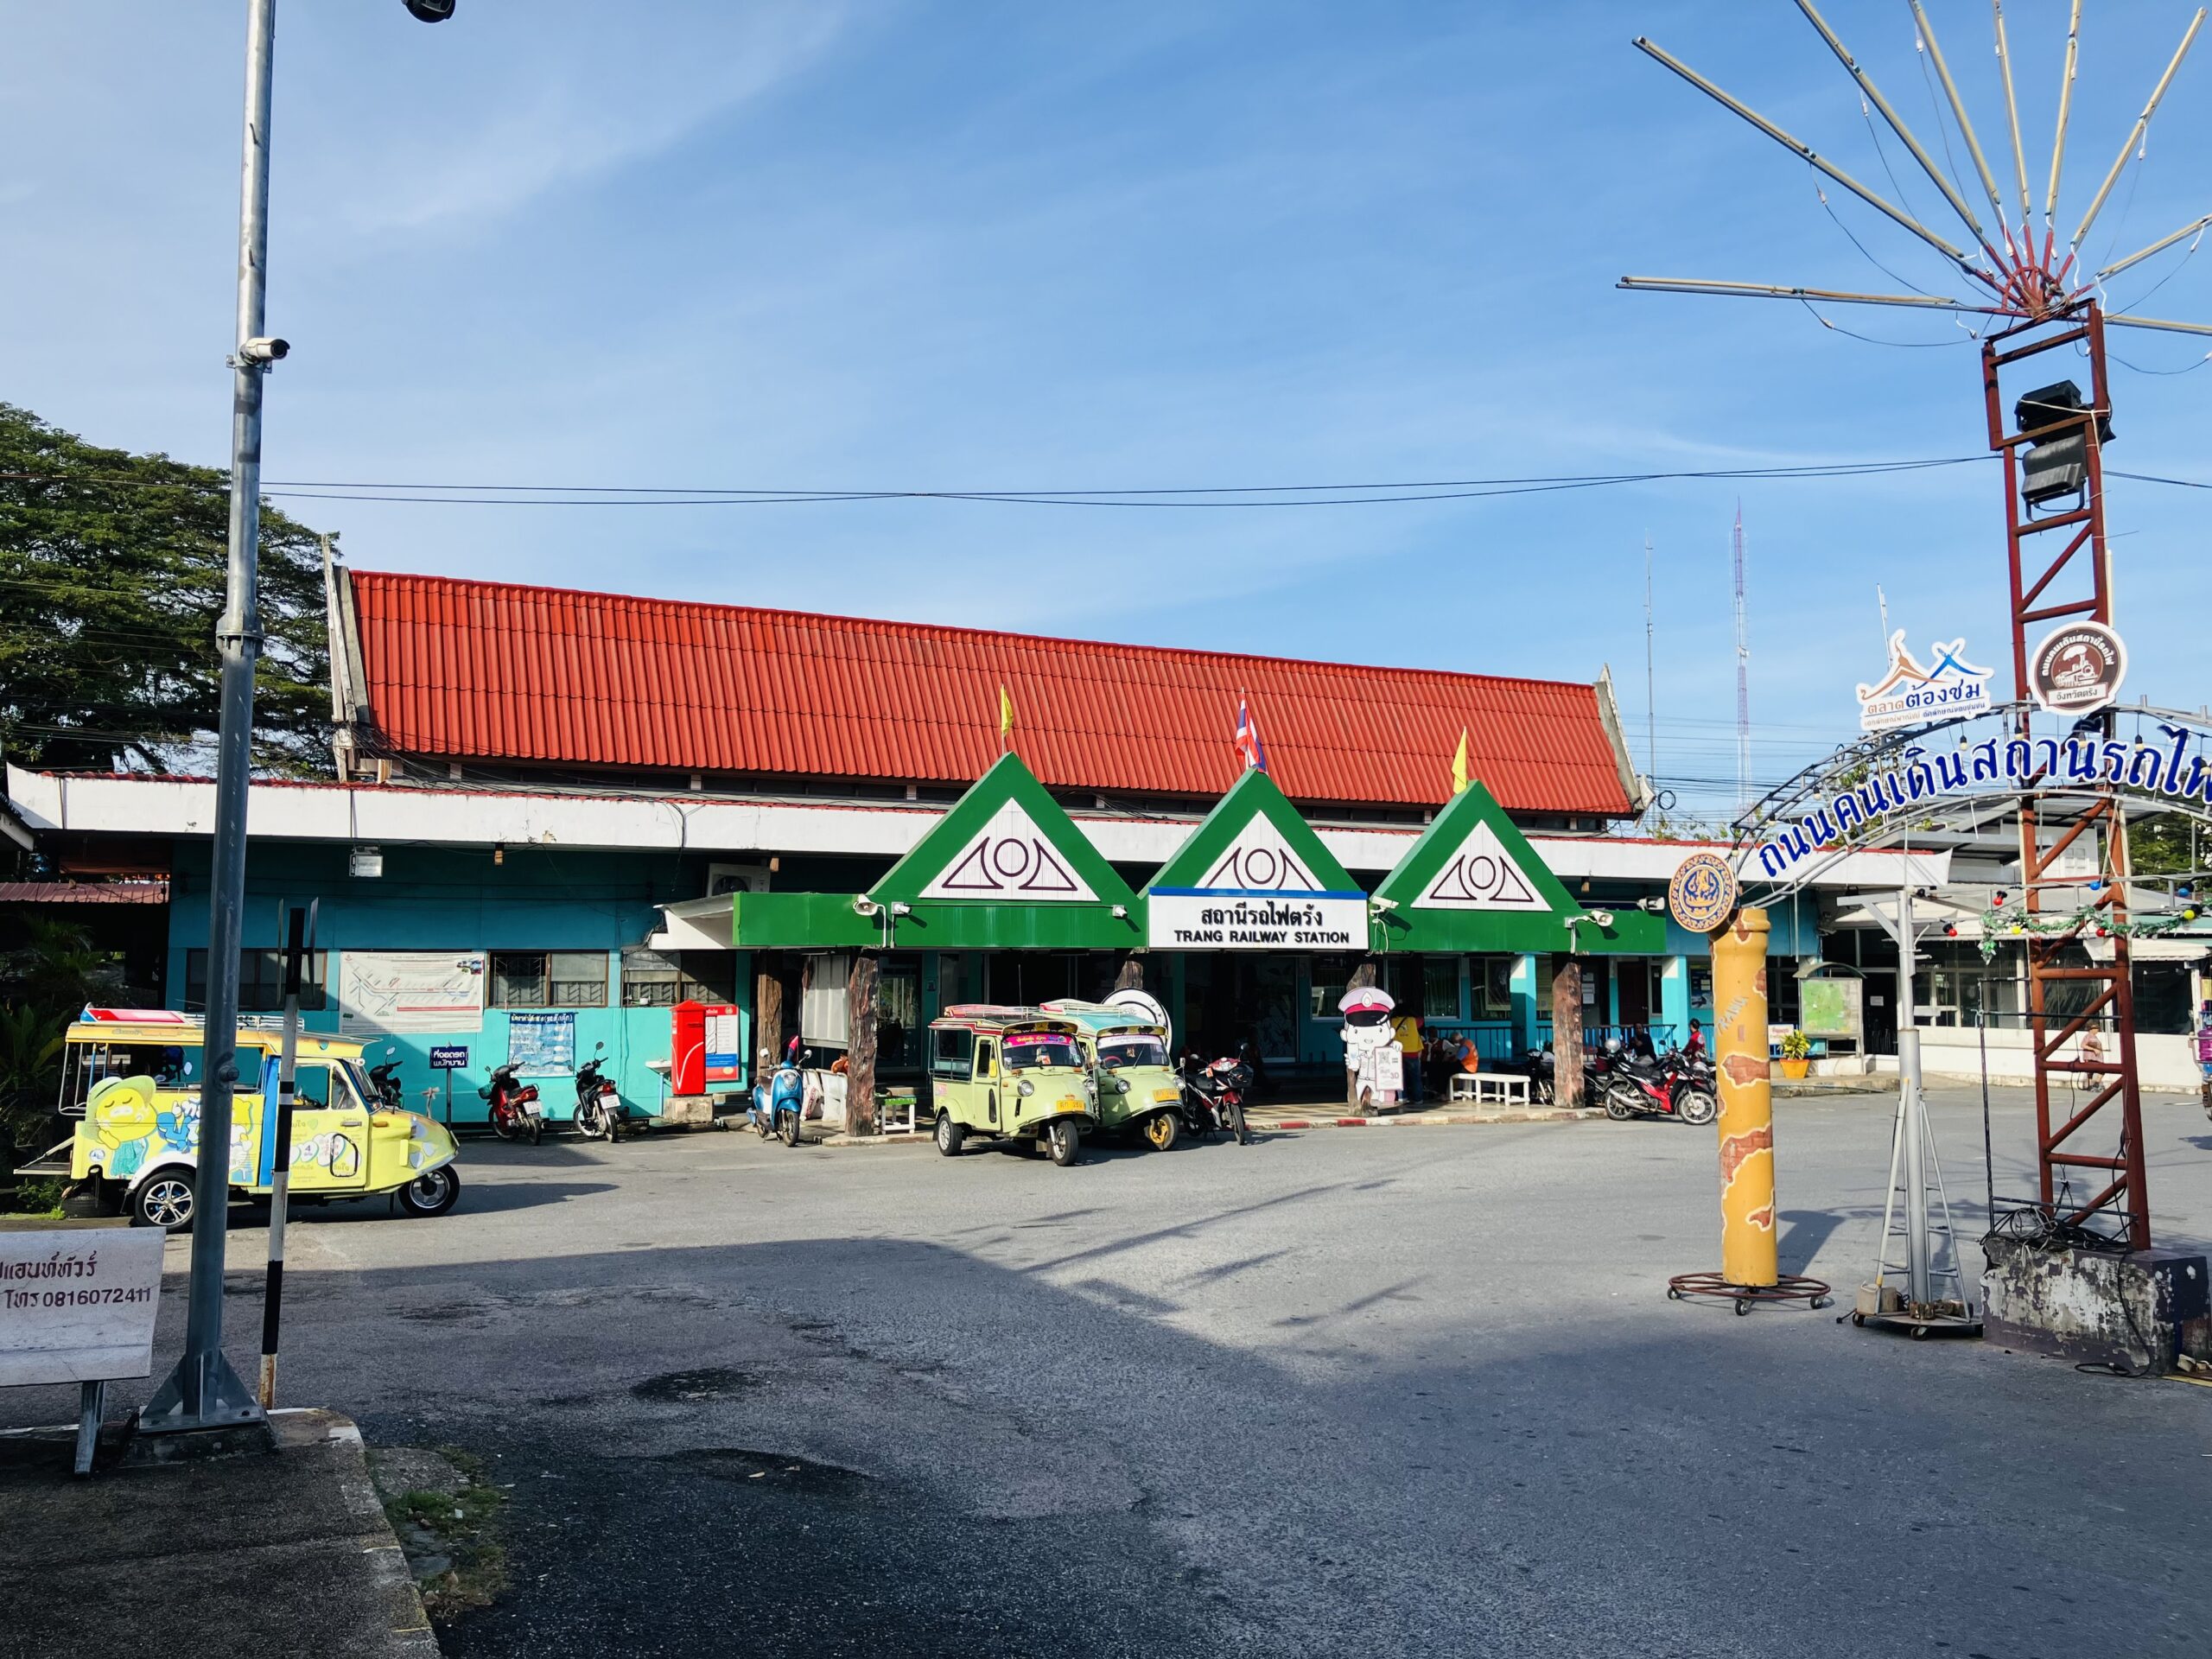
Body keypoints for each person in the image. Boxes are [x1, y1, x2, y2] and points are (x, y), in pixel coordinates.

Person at [1393, 1010, 1424, 1105]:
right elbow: (1422, 1020)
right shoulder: (1414, 1020)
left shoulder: (1392, 1021)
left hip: (1397, 1052)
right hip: (1412, 1052)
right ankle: (1418, 1099)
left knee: (1400, 1077)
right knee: (1416, 1078)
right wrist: (1412, 1012)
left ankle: (1402, 1098)